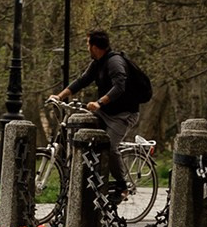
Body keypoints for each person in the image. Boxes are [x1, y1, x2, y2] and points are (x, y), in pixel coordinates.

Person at [55, 29, 146, 190]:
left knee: (110, 147)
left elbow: (119, 86)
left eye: (87, 43)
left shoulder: (114, 62)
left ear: (95, 46)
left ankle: (122, 185)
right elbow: (82, 81)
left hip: (124, 114)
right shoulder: (97, 63)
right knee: (86, 135)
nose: (86, 47)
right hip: (106, 112)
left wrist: (99, 103)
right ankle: (94, 178)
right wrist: (59, 97)